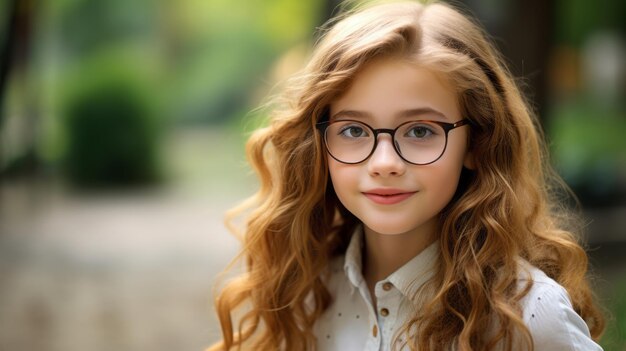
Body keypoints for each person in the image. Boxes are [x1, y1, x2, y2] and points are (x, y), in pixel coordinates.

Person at [209, 1, 605, 350]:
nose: (384, 162)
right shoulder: (304, 295)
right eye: (353, 130)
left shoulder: (529, 314)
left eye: (420, 131)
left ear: (476, 144)